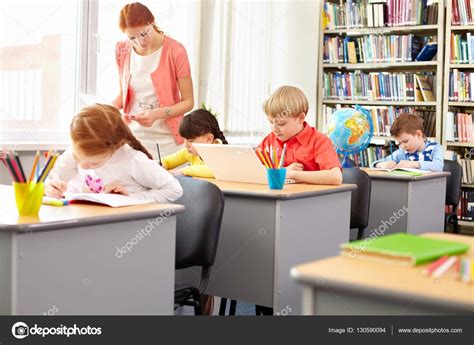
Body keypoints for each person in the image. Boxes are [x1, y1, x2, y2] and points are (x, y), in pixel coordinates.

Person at [44, 104, 183, 202]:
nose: (82, 166)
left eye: (94, 163)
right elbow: (50, 179)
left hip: (125, 226)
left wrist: (131, 197)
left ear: (113, 148)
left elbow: (174, 189)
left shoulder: (133, 161)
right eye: (76, 157)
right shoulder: (79, 149)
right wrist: (49, 187)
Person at [112, 2, 194, 157]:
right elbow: (123, 96)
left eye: (144, 33)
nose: (140, 42)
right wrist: (106, 109)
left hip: (168, 143)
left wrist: (158, 114)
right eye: (132, 38)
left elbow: (188, 102)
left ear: (152, 22)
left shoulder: (176, 51)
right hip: (133, 141)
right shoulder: (121, 50)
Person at [258, 85, 342, 185]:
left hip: (310, 198)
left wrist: (293, 174)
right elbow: (250, 169)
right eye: (271, 122)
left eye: (281, 124)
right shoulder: (270, 140)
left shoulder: (319, 141)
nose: (274, 129)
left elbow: (335, 177)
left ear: (301, 118)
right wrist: (282, 172)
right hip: (278, 196)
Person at [162, 109, 227, 178]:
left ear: (209, 139)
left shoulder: (220, 152)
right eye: (185, 139)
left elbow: (217, 169)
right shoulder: (188, 152)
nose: (186, 145)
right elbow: (166, 161)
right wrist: (162, 164)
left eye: (190, 140)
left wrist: (183, 171)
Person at [372, 113, 444, 171]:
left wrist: (414, 164)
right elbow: (374, 163)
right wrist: (381, 164)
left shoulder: (436, 148)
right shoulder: (402, 153)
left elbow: (438, 166)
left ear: (419, 134)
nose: (403, 146)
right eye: (400, 143)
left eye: (405, 141)